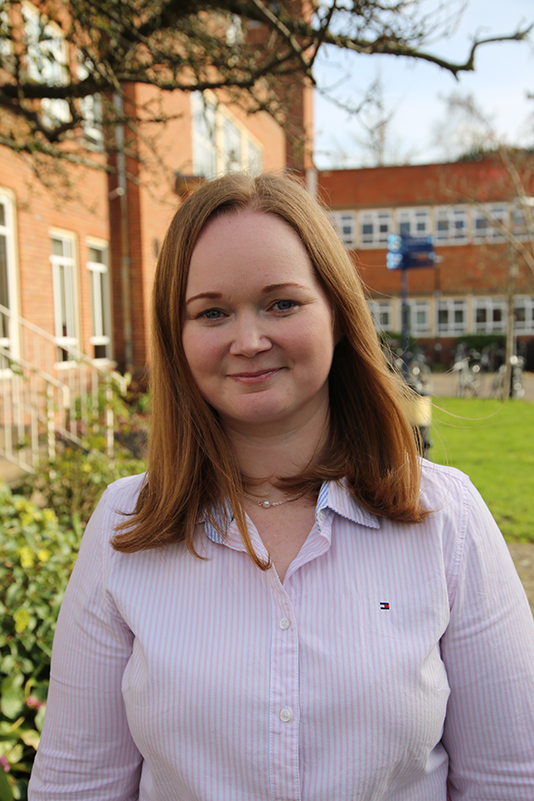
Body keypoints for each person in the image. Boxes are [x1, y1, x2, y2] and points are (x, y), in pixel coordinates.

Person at [29, 173, 534, 800]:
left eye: (282, 304)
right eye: (212, 312)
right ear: (177, 337)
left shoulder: (445, 518)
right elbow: (78, 785)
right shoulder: (124, 526)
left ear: (338, 314)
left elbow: (510, 779)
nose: (249, 341)